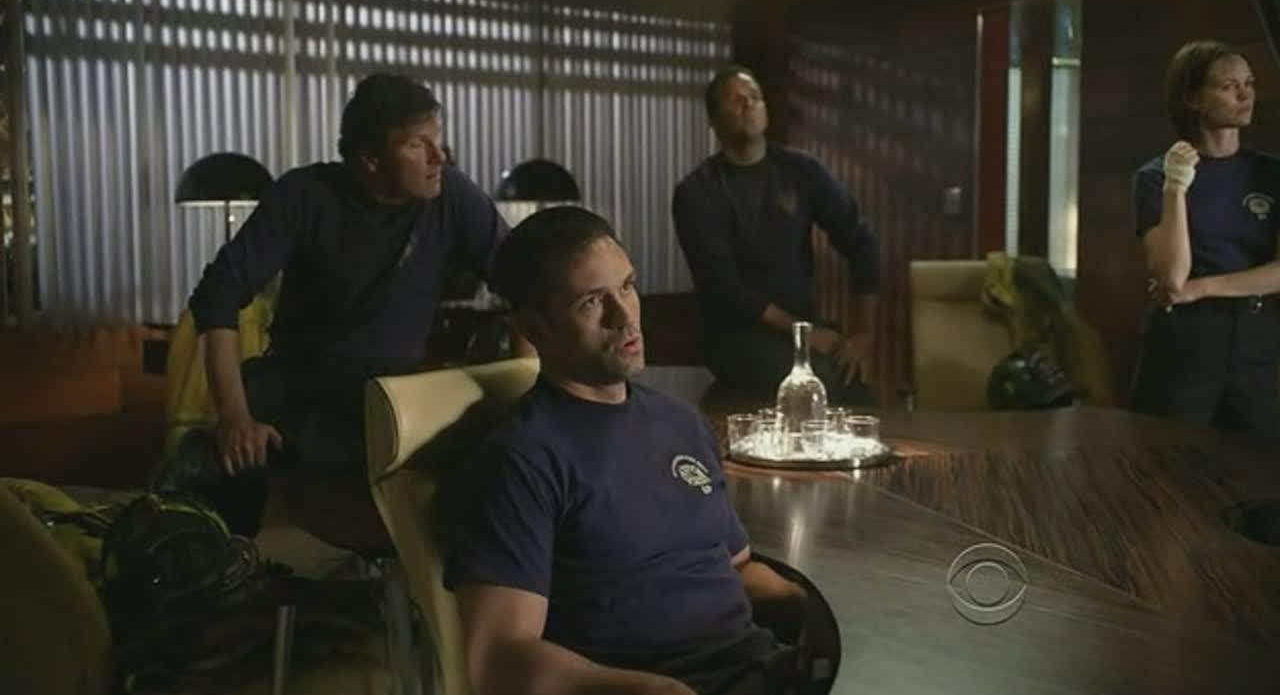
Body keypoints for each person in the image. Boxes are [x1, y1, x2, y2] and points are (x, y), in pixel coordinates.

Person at [442, 206, 812, 695]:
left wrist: (809, 605)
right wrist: (651, 691)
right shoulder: (520, 460)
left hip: (764, 673)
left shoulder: (680, 423)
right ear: (533, 327)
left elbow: (734, 569)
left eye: (628, 286)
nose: (625, 317)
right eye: (592, 302)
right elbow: (499, 658)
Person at [161, 73, 510, 533]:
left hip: (394, 394)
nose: (438, 156)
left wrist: (530, 380)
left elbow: (524, 280)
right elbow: (217, 297)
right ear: (370, 159)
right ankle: (228, 566)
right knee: (209, 468)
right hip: (304, 386)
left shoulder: (452, 194)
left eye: (437, 140)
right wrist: (234, 417)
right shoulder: (305, 194)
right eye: (416, 145)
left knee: (498, 453)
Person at [672, 65, 880, 405]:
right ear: (714, 119)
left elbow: (862, 242)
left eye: (754, 97)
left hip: (802, 326)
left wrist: (863, 335)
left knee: (853, 378)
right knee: (825, 380)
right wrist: (804, 334)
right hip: (735, 336)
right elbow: (724, 289)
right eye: (735, 100)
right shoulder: (697, 191)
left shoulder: (801, 171)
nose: (748, 104)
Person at [1132, 40, 1280, 439]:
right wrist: (1176, 186)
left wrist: (1201, 287)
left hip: (1256, 335)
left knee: (1259, 462)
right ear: (1193, 98)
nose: (1245, 94)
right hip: (1186, 337)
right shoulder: (1154, 177)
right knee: (1168, 455)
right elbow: (1170, 278)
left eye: (1249, 83)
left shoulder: (1271, 174)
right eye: (1229, 86)